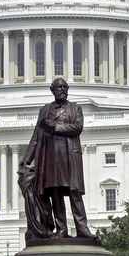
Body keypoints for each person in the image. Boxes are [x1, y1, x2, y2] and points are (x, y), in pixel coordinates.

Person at [19, 78, 95, 239]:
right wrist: (26, 159)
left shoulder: (75, 109)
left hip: (69, 157)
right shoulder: (44, 110)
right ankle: (62, 229)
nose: (62, 90)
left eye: (65, 87)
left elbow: (77, 128)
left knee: (75, 194)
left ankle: (82, 228)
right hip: (50, 158)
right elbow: (35, 137)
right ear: (52, 90)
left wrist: (54, 126)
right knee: (56, 194)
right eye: (59, 87)